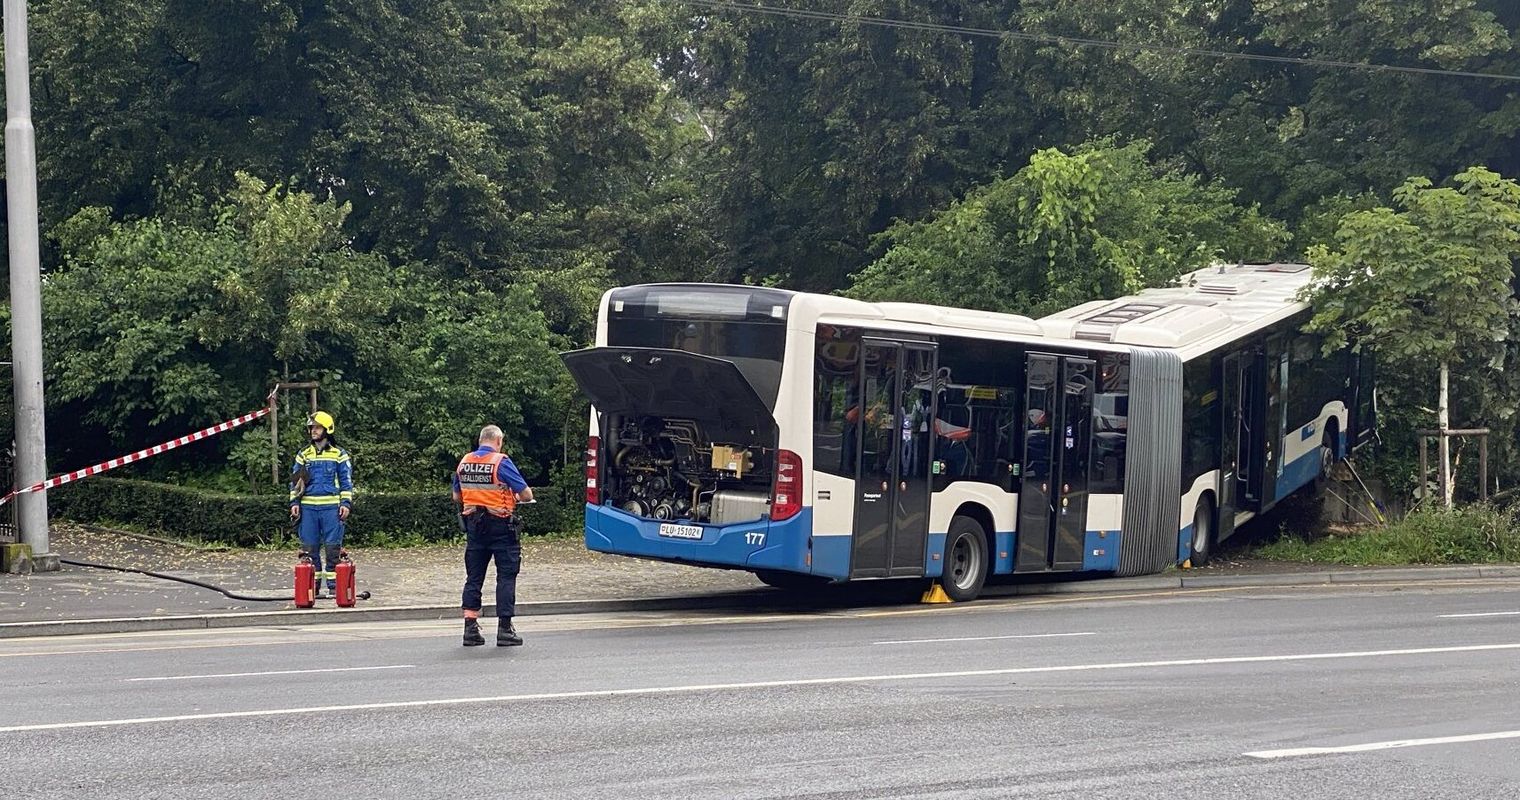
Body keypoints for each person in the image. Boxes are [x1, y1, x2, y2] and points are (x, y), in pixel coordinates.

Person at [453, 424, 533, 647]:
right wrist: (512, 496)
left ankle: (470, 630)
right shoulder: (500, 462)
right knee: (506, 577)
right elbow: (527, 494)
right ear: (498, 441)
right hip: (501, 527)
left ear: (481, 440)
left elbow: (456, 496)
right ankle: (505, 630)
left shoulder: (464, 462)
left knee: (474, 577)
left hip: (474, 527)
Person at [289, 411, 354, 597]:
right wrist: (294, 502)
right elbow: (296, 482)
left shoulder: (339, 455)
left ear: (327, 429)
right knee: (310, 549)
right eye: (311, 428)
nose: (313, 431)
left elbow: (345, 481)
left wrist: (346, 503)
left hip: (331, 509)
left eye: (317, 427)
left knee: (333, 549)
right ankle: (312, 588)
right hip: (308, 509)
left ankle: (335, 588)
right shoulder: (304, 455)